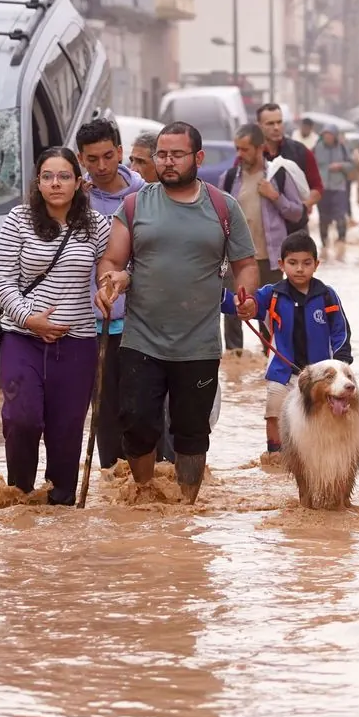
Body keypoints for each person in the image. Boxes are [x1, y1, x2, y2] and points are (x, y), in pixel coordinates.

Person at [96, 121, 259, 504]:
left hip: (199, 344)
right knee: (137, 424)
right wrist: (111, 281)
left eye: (177, 155)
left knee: (191, 432)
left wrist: (246, 295)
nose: (168, 162)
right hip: (141, 340)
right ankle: (144, 493)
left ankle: (186, 506)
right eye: (162, 155)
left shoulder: (223, 207)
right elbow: (112, 260)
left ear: (197, 158)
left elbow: (245, 264)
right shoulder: (135, 205)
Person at [0, 146, 110, 506]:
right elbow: (3, 280)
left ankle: (61, 506)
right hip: (22, 338)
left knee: (67, 431)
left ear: (78, 182)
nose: (55, 183)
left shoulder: (97, 225)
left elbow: (114, 266)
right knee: (21, 419)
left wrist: (109, 287)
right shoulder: (18, 219)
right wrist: (30, 318)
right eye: (47, 176)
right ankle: (20, 496)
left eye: (63, 176)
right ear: (38, 182)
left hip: (77, 344)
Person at [229, 230, 351, 460]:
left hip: (321, 376)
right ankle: (275, 456)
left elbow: (341, 331)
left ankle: (323, 457)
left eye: (306, 263)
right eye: (292, 263)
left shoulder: (327, 296)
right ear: (281, 264)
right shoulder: (272, 295)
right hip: (282, 373)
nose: (299, 268)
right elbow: (250, 305)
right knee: (274, 414)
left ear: (316, 264)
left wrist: (342, 362)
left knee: (325, 415)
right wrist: (241, 303)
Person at [75, 119, 147, 471]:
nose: (101, 167)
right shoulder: (75, 199)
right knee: (101, 410)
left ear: (120, 152)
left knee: (139, 407)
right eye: (92, 159)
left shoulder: (145, 196)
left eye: (108, 156)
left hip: (139, 322)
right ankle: (112, 480)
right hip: (89, 324)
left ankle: (145, 477)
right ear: (81, 159)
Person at [221, 123, 305, 296]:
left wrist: (275, 197)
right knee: (232, 315)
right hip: (236, 260)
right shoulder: (228, 178)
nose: (239, 154)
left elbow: (297, 213)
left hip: (270, 261)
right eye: (237, 149)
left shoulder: (278, 176)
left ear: (260, 148)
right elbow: (218, 219)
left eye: (245, 149)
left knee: (269, 318)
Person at [313, 125, 353, 245]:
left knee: (340, 216)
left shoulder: (342, 148)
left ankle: (341, 243)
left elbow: (352, 164)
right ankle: (324, 244)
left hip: (339, 187)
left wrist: (340, 166)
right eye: (325, 135)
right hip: (322, 188)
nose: (328, 137)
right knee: (323, 218)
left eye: (330, 135)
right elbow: (309, 165)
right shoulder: (317, 148)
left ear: (335, 136)